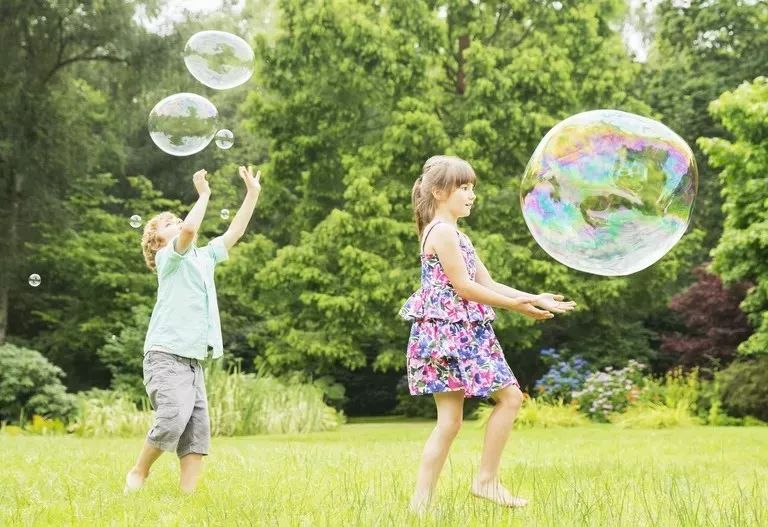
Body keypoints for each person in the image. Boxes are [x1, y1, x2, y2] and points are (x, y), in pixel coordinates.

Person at [400, 155, 576, 512]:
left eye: (472, 188)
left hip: (447, 333)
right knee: (509, 398)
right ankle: (485, 481)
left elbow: (487, 282)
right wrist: (517, 307)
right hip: (454, 334)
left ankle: (420, 507)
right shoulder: (444, 232)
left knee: (449, 423)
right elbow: (464, 288)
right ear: (438, 191)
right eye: (463, 187)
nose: (471, 195)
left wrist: (531, 297)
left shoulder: (451, 232)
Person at [124, 165, 261, 494]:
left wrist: (252, 194)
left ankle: (188, 498)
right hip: (165, 355)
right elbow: (187, 231)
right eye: (168, 224)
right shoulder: (168, 259)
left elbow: (235, 233)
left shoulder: (204, 257)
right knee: (172, 417)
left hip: (192, 359)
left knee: (197, 430)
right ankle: (139, 470)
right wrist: (203, 194)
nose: (178, 225)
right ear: (157, 243)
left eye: (175, 219)